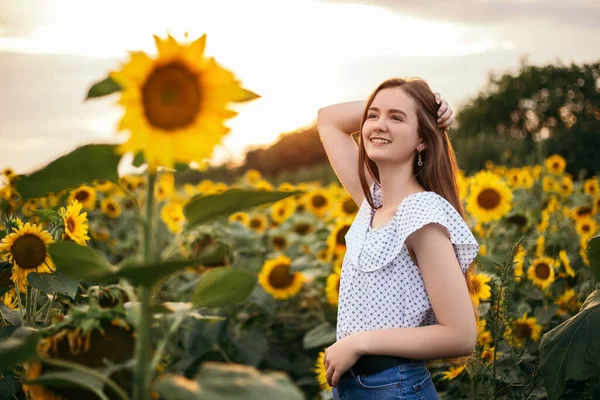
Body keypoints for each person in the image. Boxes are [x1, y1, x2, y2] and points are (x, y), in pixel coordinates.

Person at [317, 77, 480, 399]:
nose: (378, 125)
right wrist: (421, 102)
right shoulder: (372, 201)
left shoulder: (421, 212)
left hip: (395, 387)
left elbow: (460, 335)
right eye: (372, 115)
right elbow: (329, 119)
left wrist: (358, 342)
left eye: (396, 118)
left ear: (422, 140)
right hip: (356, 387)